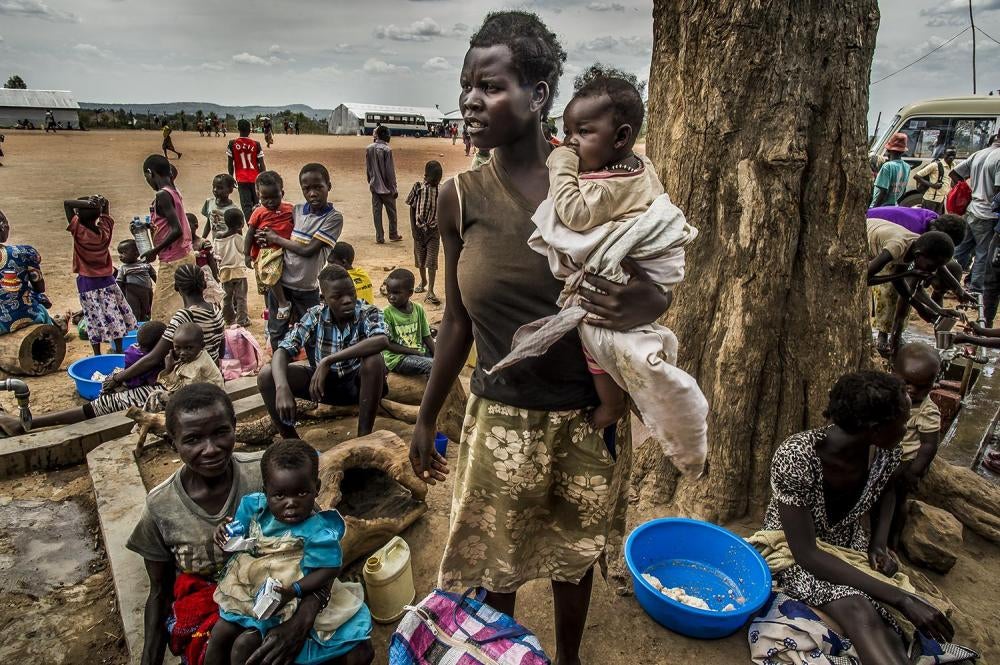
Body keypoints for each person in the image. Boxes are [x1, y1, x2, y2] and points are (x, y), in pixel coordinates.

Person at [409, 12, 672, 663]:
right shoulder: (461, 198)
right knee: (498, 569)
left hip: (587, 419)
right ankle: (506, 655)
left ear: (538, 95)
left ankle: (571, 657)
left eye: (490, 85)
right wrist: (424, 418)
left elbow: (655, 288)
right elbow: (455, 321)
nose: (471, 99)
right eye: (466, 84)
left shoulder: (603, 186)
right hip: (500, 418)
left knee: (573, 558)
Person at [488, 70, 708, 465]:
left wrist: (562, 164)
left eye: (581, 133)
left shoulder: (603, 180)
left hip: (608, 300)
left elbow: (574, 213)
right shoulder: (631, 168)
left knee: (599, 337)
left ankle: (612, 405)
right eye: (567, 133)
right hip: (517, 398)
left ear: (620, 138)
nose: (570, 142)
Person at [127, 384, 340, 665]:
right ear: (172, 443)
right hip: (218, 609)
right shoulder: (161, 507)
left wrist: (301, 621)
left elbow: (321, 546)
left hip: (283, 596)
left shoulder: (269, 476)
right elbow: (159, 593)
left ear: (235, 427)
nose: (211, 449)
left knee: (355, 651)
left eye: (220, 432)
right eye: (192, 439)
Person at [754, 371, 954, 665]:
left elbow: (886, 492)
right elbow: (808, 555)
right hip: (792, 547)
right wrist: (901, 598)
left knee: (887, 626)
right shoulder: (796, 456)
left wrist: (878, 544)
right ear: (875, 429)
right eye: (902, 421)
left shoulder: (885, 452)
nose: (906, 427)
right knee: (858, 608)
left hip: (847, 543)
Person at [0, 264, 225, 435]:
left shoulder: (184, 317)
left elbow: (153, 358)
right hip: (203, 378)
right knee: (120, 389)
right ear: (203, 285)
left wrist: (118, 378)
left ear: (176, 288)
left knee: (105, 402)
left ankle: (29, 423)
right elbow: (219, 352)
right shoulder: (215, 311)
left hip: (187, 386)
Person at [205, 439, 374, 665]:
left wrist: (294, 590)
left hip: (296, 592)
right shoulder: (254, 508)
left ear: (317, 488)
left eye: (302, 493)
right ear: (266, 492)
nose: (291, 503)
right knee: (220, 633)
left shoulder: (318, 531)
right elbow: (236, 540)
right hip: (253, 588)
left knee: (258, 646)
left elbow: (329, 569)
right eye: (280, 496)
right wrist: (224, 533)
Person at [257, 265, 388, 439]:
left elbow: (381, 340)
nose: (347, 300)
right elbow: (283, 350)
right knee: (266, 376)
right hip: (323, 387)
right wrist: (281, 387)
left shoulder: (368, 312)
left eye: (351, 293)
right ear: (323, 298)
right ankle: (291, 441)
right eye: (337, 297)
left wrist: (328, 361)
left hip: (359, 386)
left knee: (374, 360)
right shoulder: (315, 315)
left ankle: (364, 436)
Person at [258, 163, 343, 352]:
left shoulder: (333, 218)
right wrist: (264, 237)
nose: (312, 193)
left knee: (313, 335)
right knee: (277, 331)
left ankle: (315, 375)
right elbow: (272, 228)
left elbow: (308, 250)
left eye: (318, 187)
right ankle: (281, 374)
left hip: (307, 289)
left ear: (328, 186)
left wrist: (275, 238)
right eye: (307, 189)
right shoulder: (295, 211)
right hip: (282, 285)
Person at [866, 219, 956, 356]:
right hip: (858, 238)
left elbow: (898, 282)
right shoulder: (897, 246)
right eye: (932, 267)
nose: (932, 272)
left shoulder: (916, 246)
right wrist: (908, 273)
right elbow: (865, 279)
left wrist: (921, 308)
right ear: (919, 255)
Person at [65, 196, 137, 355]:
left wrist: (86, 204)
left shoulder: (79, 232)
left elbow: (67, 203)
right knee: (114, 315)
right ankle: (118, 349)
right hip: (107, 280)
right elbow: (106, 214)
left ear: (78, 215)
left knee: (93, 319)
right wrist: (100, 203)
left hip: (87, 283)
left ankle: (97, 354)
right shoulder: (104, 232)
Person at [888, 342, 942, 548]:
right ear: (894, 373)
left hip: (904, 463)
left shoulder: (927, 411)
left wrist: (914, 472)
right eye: (907, 382)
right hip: (883, 457)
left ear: (932, 385)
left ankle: (892, 539)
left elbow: (929, 445)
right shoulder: (889, 396)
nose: (912, 390)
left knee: (896, 501)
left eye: (922, 387)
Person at [140, 154, 195, 322]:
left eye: (146, 176)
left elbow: (176, 229)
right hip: (184, 254)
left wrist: (154, 251)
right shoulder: (173, 190)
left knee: (160, 311)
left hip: (172, 259)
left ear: (150, 173)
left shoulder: (162, 195)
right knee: (179, 304)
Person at [951, 134, 1000, 293]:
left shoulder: (979, 153)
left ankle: (949, 282)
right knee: (983, 254)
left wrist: (967, 189)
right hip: (987, 213)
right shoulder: (998, 157)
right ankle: (975, 288)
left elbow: (955, 173)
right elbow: (998, 190)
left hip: (972, 208)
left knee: (962, 249)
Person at [246, 171, 294, 320]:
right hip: (267, 252)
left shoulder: (291, 209)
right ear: (258, 194)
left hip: (286, 249)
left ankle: (283, 305)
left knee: (285, 281)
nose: (270, 202)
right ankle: (277, 307)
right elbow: (249, 233)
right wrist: (246, 254)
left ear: (282, 193)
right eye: (265, 198)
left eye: (275, 197)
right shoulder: (258, 212)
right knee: (269, 280)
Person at [0, 208, 53, 336]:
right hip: (27, 316)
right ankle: (52, 334)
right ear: (4, 227)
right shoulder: (23, 253)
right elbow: (40, 288)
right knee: (40, 306)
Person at [383, 268, 435, 376]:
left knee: (443, 356)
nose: (391, 297)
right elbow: (387, 344)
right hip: (398, 358)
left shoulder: (418, 309)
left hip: (417, 351)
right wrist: (414, 352)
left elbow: (426, 336)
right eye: (389, 292)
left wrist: (439, 356)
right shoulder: (387, 313)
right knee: (433, 366)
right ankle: (431, 391)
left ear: (410, 293)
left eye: (396, 293)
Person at [405, 160, 443, 305]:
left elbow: (443, 211)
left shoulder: (441, 189)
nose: (436, 181)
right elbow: (412, 207)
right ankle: (423, 281)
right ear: (426, 176)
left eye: (438, 179)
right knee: (420, 260)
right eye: (434, 179)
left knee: (432, 262)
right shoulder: (418, 187)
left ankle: (431, 290)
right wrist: (414, 229)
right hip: (419, 230)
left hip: (433, 231)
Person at [365, 126, 401, 244]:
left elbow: (368, 167)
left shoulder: (369, 148)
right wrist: (394, 188)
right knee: (392, 212)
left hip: (374, 186)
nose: (389, 136)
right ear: (384, 135)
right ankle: (393, 234)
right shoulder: (387, 150)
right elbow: (390, 172)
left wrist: (370, 180)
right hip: (386, 188)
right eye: (388, 134)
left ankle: (379, 237)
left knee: (377, 213)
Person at [215, 208, 250, 326]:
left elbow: (217, 254)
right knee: (241, 298)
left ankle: (229, 319)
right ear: (241, 224)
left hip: (225, 272)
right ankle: (242, 320)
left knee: (227, 298)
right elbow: (244, 250)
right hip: (239, 271)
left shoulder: (218, 238)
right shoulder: (238, 237)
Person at [228, 119, 267, 221]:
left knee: (246, 206)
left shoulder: (232, 144)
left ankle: (251, 227)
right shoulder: (256, 144)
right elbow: (262, 164)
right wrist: (264, 178)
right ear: (250, 130)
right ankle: (259, 225)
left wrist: (231, 178)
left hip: (242, 179)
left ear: (238, 129)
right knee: (258, 204)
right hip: (256, 178)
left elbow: (230, 164)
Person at [112, 320, 167, 391]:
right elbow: (154, 382)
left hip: (126, 381)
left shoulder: (130, 349)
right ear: (159, 346)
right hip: (136, 388)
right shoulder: (151, 359)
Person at [116, 239, 157, 323]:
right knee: (134, 310)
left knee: (147, 309)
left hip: (147, 292)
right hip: (131, 292)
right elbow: (119, 282)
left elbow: (153, 275)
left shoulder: (145, 264)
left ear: (136, 253)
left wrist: (159, 285)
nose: (120, 256)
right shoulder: (123, 268)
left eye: (123, 253)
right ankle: (136, 326)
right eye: (119, 253)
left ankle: (145, 323)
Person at [870, 132, 911, 208]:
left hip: (881, 207)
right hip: (894, 206)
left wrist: (874, 209)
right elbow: (903, 190)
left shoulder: (887, 166)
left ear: (888, 150)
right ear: (903, 152)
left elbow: (883, 191)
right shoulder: (907, 167)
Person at [914, 147, 957, 214]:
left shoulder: (953, 165)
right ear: (944, 155)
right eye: (948, 155)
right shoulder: (935, 165)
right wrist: (932, 185)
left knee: (936, 220)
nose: (951, 157)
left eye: (953, 155)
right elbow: (917, 176)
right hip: (930, 199)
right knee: (928, 220)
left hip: (941, 199)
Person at [200, 173, 240, 241]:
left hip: (229, 244)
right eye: (214, 187)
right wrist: (202, 239)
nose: (215, 190)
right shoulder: (209, 202)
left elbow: (238, 231)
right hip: (216, 244)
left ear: (230, 190)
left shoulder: (234, 210)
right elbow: (209, 223)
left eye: (219, 188)